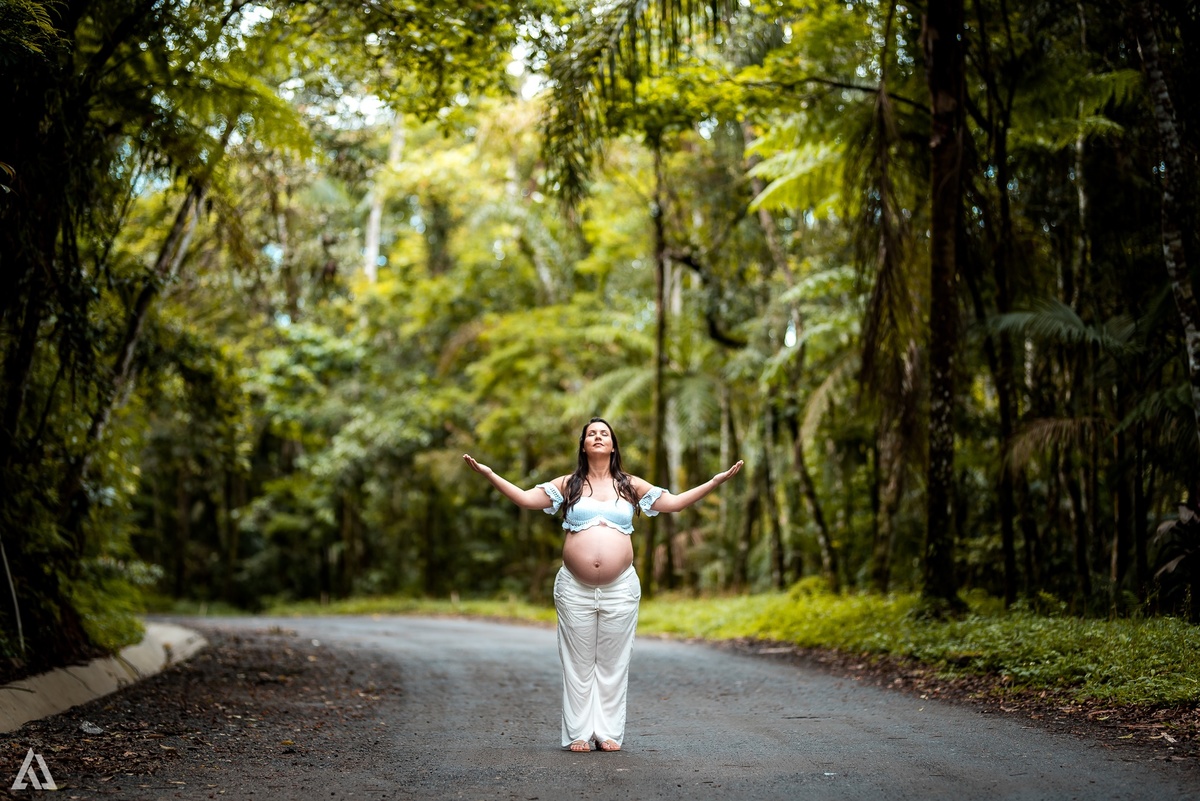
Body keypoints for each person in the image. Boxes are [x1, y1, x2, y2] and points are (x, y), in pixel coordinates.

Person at [463, 417, 743, 753]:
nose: (598, 437)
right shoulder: (569, 484)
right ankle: (579, 733)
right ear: (583, 445)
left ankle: (607, 732)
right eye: (591, 433)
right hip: (574, 588)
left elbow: (675, 503)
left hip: (620, 588)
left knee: (613, 662)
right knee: (578, 662)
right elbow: (524, 499)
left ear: (612, 445)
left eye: (604, 433)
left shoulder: (629, 485)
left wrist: (715, 481)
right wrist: (490, 475)